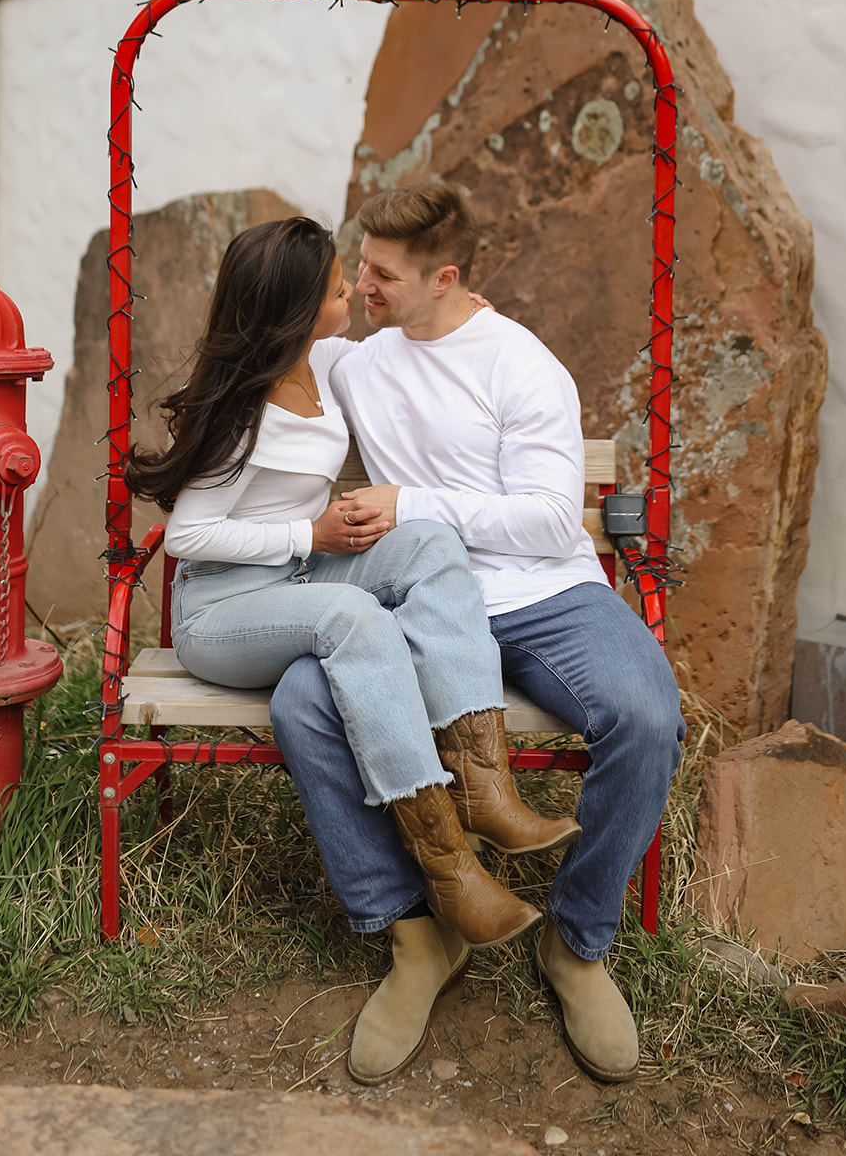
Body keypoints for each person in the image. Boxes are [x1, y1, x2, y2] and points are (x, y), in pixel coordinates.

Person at [268, 182, 685, 1087]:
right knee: (303, 700)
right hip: (416, 600)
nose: (364, 288)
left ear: (444, 277)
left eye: (381, 274)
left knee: (647, 717)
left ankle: (576, 944)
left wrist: (408, 502)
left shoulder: (520, 365)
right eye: (361, 268)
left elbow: (545, 522)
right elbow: (263, 340)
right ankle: (417, 937)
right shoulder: (357, 364)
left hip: (541, 596)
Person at [124, 217, 580, 956]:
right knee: (353, 614)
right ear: (303, 311)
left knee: (428, 541)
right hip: (222, 611)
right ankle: (449, 868)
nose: (356, 292)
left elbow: (408, 345)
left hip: (296, 575)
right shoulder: (243, 411)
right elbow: (188, 538)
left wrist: (464, 320)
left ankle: (480, 782)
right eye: (341, 288)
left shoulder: (321, 363)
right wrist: (311, 535)